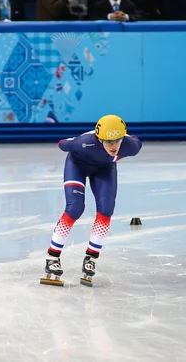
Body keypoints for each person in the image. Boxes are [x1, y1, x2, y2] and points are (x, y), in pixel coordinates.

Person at [41, 115, 142, 286]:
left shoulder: (130, 146)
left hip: (104, 169)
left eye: (117, 140)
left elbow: (136, 141)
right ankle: (52, 257)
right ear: (98, 138)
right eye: (108, 141)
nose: (114, 146)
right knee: (75, 208)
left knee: (106, 209)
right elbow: (62, 143)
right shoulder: (83, 143)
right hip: (77, 165)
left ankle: (91, 257)